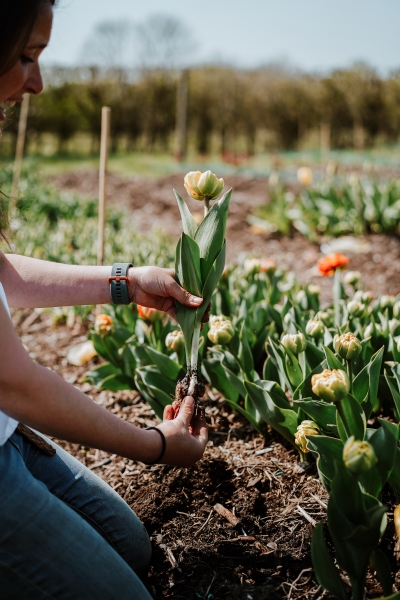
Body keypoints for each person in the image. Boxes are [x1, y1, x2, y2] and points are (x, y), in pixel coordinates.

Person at [0, 1, 208, 598]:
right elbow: (13, 381)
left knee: (131, 545)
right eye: (24, 57)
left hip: (6, 435)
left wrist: (123, 281)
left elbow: (1, 276)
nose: (38, 81)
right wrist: (155, 447)